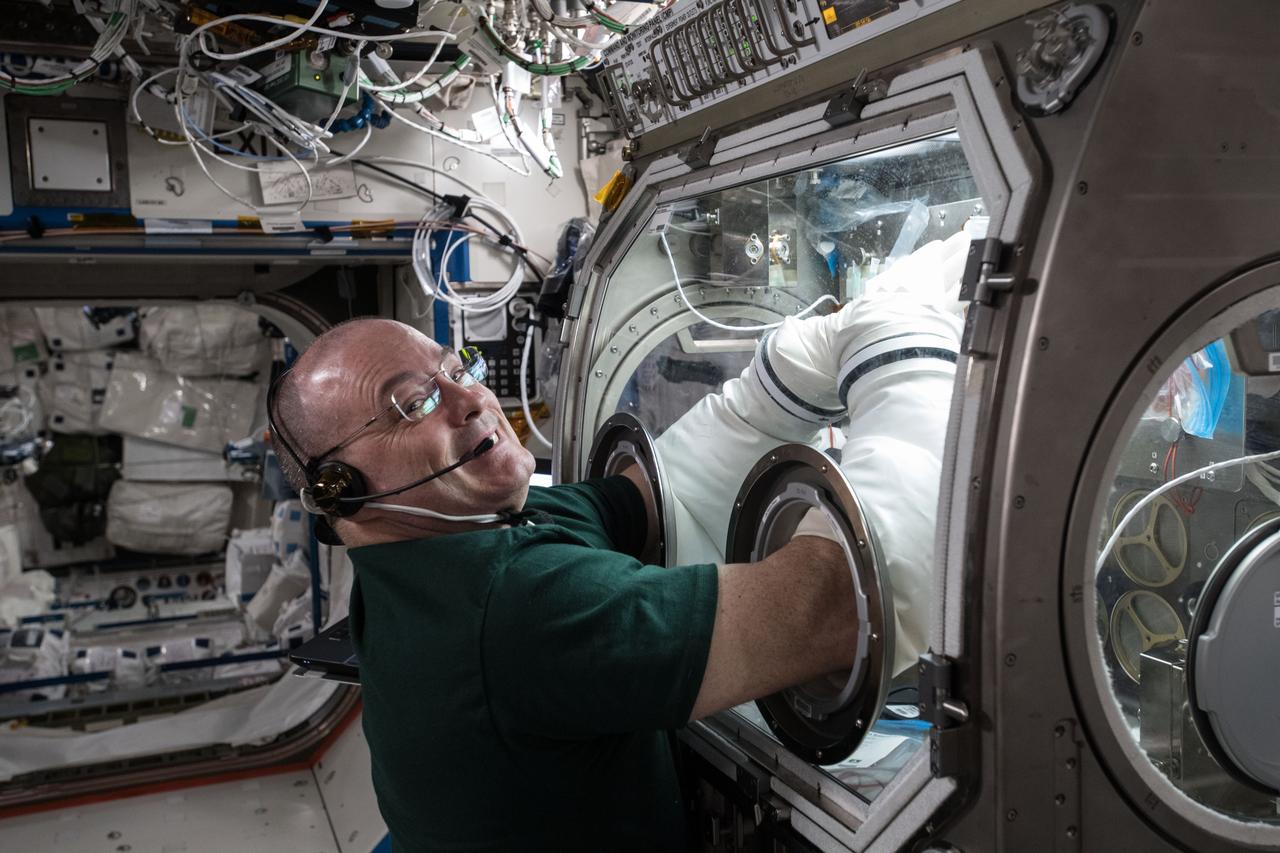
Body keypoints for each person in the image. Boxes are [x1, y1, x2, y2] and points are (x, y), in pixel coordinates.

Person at [268, 273, 961, 851]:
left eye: (457, 368)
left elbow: (650, 495)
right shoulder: (517, 610)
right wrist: (904, 356)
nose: (472, 399)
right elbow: (840, 606)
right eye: (416, 403)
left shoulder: (438, 558)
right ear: (343, 490)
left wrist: (785, 375)